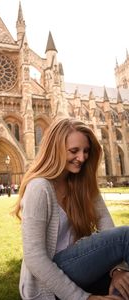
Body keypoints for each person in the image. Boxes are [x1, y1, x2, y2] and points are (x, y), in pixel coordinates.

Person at [12, 117, 129, 300]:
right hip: (48, 283)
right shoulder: (39, 188)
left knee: (125, 285)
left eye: (86, 151)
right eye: (74, 151)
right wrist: (84, 298)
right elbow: (35, 258)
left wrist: (118, 269)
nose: (82, 158)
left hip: (80, 268)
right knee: (126, 236)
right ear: (56, 150)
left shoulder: (82, 183)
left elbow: (106, 224)